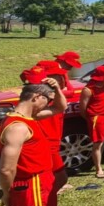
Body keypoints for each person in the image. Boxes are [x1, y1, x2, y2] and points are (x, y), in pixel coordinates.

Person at [34, 61, 73, 197]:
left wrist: (58, 86)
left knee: (56, 176)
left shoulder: (54, 94)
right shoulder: (43, 98)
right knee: (59, 177)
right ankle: (45, 197)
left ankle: (47, 194)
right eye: (59, 75)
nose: (62, 78)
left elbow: (69, 92)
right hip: (47, 141)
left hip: (53, 139)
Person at [79, 65, 104, 178]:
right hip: (96, 118)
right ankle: (98, 169)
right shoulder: (88, 89)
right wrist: (91, 119)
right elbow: (83, 109)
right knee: (98, 143)